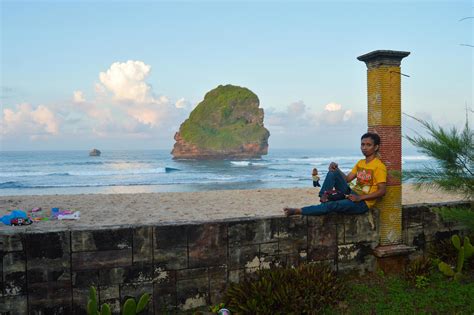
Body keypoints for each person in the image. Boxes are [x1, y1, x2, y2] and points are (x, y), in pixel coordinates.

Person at [284, 132, 386, 216]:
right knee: (332, 172)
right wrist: (337, 169)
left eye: (368, 145)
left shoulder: (379, 166)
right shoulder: (361, 163)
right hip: (351, 193)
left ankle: (298, 210)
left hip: (362, 203)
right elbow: (347, 179)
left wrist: (359, 198)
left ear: (376, 147)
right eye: (362, 144)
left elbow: (382, 191)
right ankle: (323, 196)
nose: (364, 147)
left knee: (331, 206)